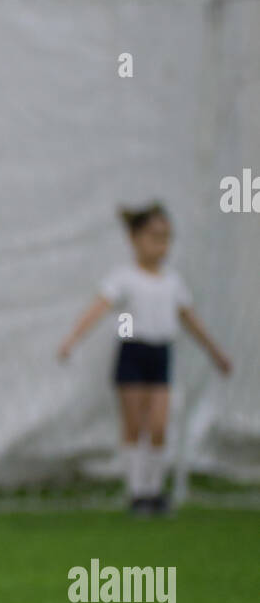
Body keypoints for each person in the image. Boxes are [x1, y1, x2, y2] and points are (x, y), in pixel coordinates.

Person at [57, 202, 231, 515]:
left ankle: (153, 490)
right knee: (135, 425)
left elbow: (189, 319)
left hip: (160, 353)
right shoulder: (123, 278)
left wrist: (216, 353)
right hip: (133, 353)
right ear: (135, 239)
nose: (161, 245)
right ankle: (137, 493)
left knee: (160, 424)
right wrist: (73, 339)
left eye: (166, 238)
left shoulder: (173, 282)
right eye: (154, 236)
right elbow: (98, 309)